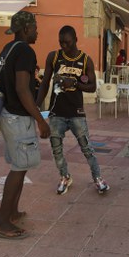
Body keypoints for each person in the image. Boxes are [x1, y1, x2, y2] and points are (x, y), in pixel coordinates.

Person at [0, 11, 50, 239]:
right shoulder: (25, 50)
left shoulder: (7, 50)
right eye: (35, 27)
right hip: (18, 117)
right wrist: (40, 120)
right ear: (26, 29)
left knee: (20, 164)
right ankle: (2, 220)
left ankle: (12, 212)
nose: (37, 31)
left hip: (7, 114)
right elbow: (22, 89)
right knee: (18, 168)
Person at [36, 25, 109, 195]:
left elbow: (92, 87)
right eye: (61, 43)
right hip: (56, 113)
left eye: (67, 43)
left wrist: (75, 84)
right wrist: (35, 107)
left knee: (86, 147)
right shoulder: (53, 57)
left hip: (76, 113)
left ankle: (98, 178)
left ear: (76, 40)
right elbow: (45, 83)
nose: (64, 46)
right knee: (56, 148)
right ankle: (65, 176)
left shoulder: (85, 60)